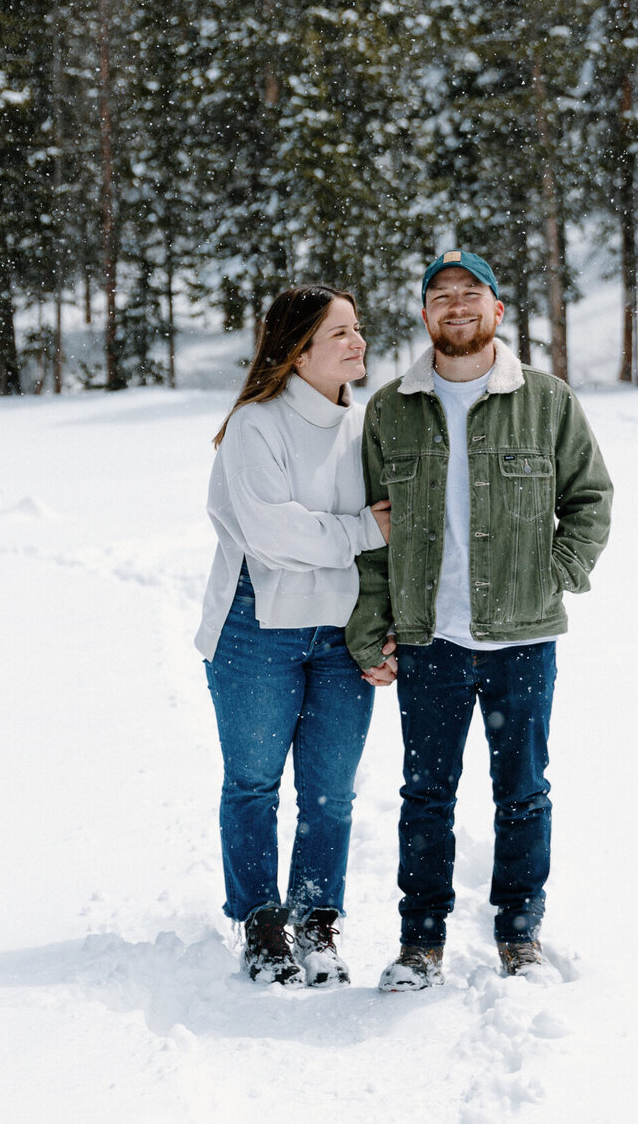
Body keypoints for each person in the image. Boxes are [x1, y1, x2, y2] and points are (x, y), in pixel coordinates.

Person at [345, 250, 613, 990]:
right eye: (440, 294)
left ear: (498, 312)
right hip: (431, 638)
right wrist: (375, 623)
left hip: (522, 640)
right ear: (425, 315)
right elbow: (374, 531)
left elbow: (590, 499)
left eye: (472, 293)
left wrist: (556, 574)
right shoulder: (391, 409)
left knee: (523, 791)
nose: (455, 304)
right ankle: (419, 943)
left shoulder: (546, 399)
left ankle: (519, 935)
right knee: (426, 795)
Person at [196, 284, 392, 988]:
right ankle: (262, 926)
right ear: (298, 349)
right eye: (339, 333)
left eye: (357, 329)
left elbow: (390, 542)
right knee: (253, 785)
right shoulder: (257, 425)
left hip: (343, 633)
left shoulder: (369, 425)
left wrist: (386, 625)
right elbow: (273, 537)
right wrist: (367, 528)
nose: (357, 342)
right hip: (257, 631)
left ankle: (316, 923)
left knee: (331, 792)